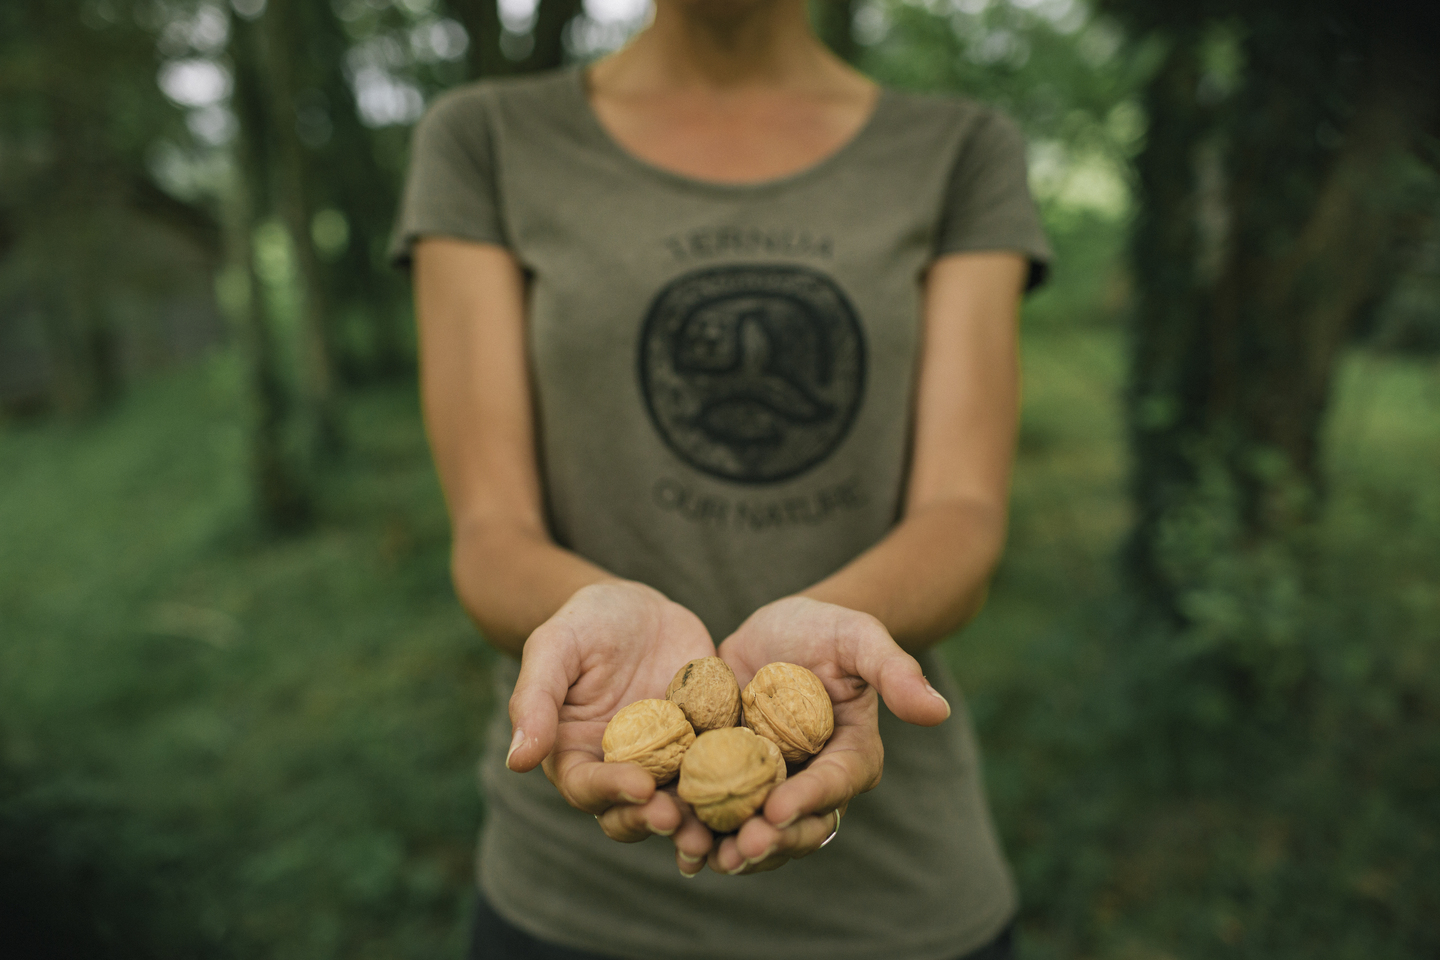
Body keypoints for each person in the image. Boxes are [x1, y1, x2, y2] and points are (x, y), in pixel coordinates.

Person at [389, 0, 1050, 957]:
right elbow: (490, 533)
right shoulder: (486, 139)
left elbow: (964, 513)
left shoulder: (960, 149)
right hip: (571, 899)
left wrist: (820, 647)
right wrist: (593, 609)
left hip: (899, 899)